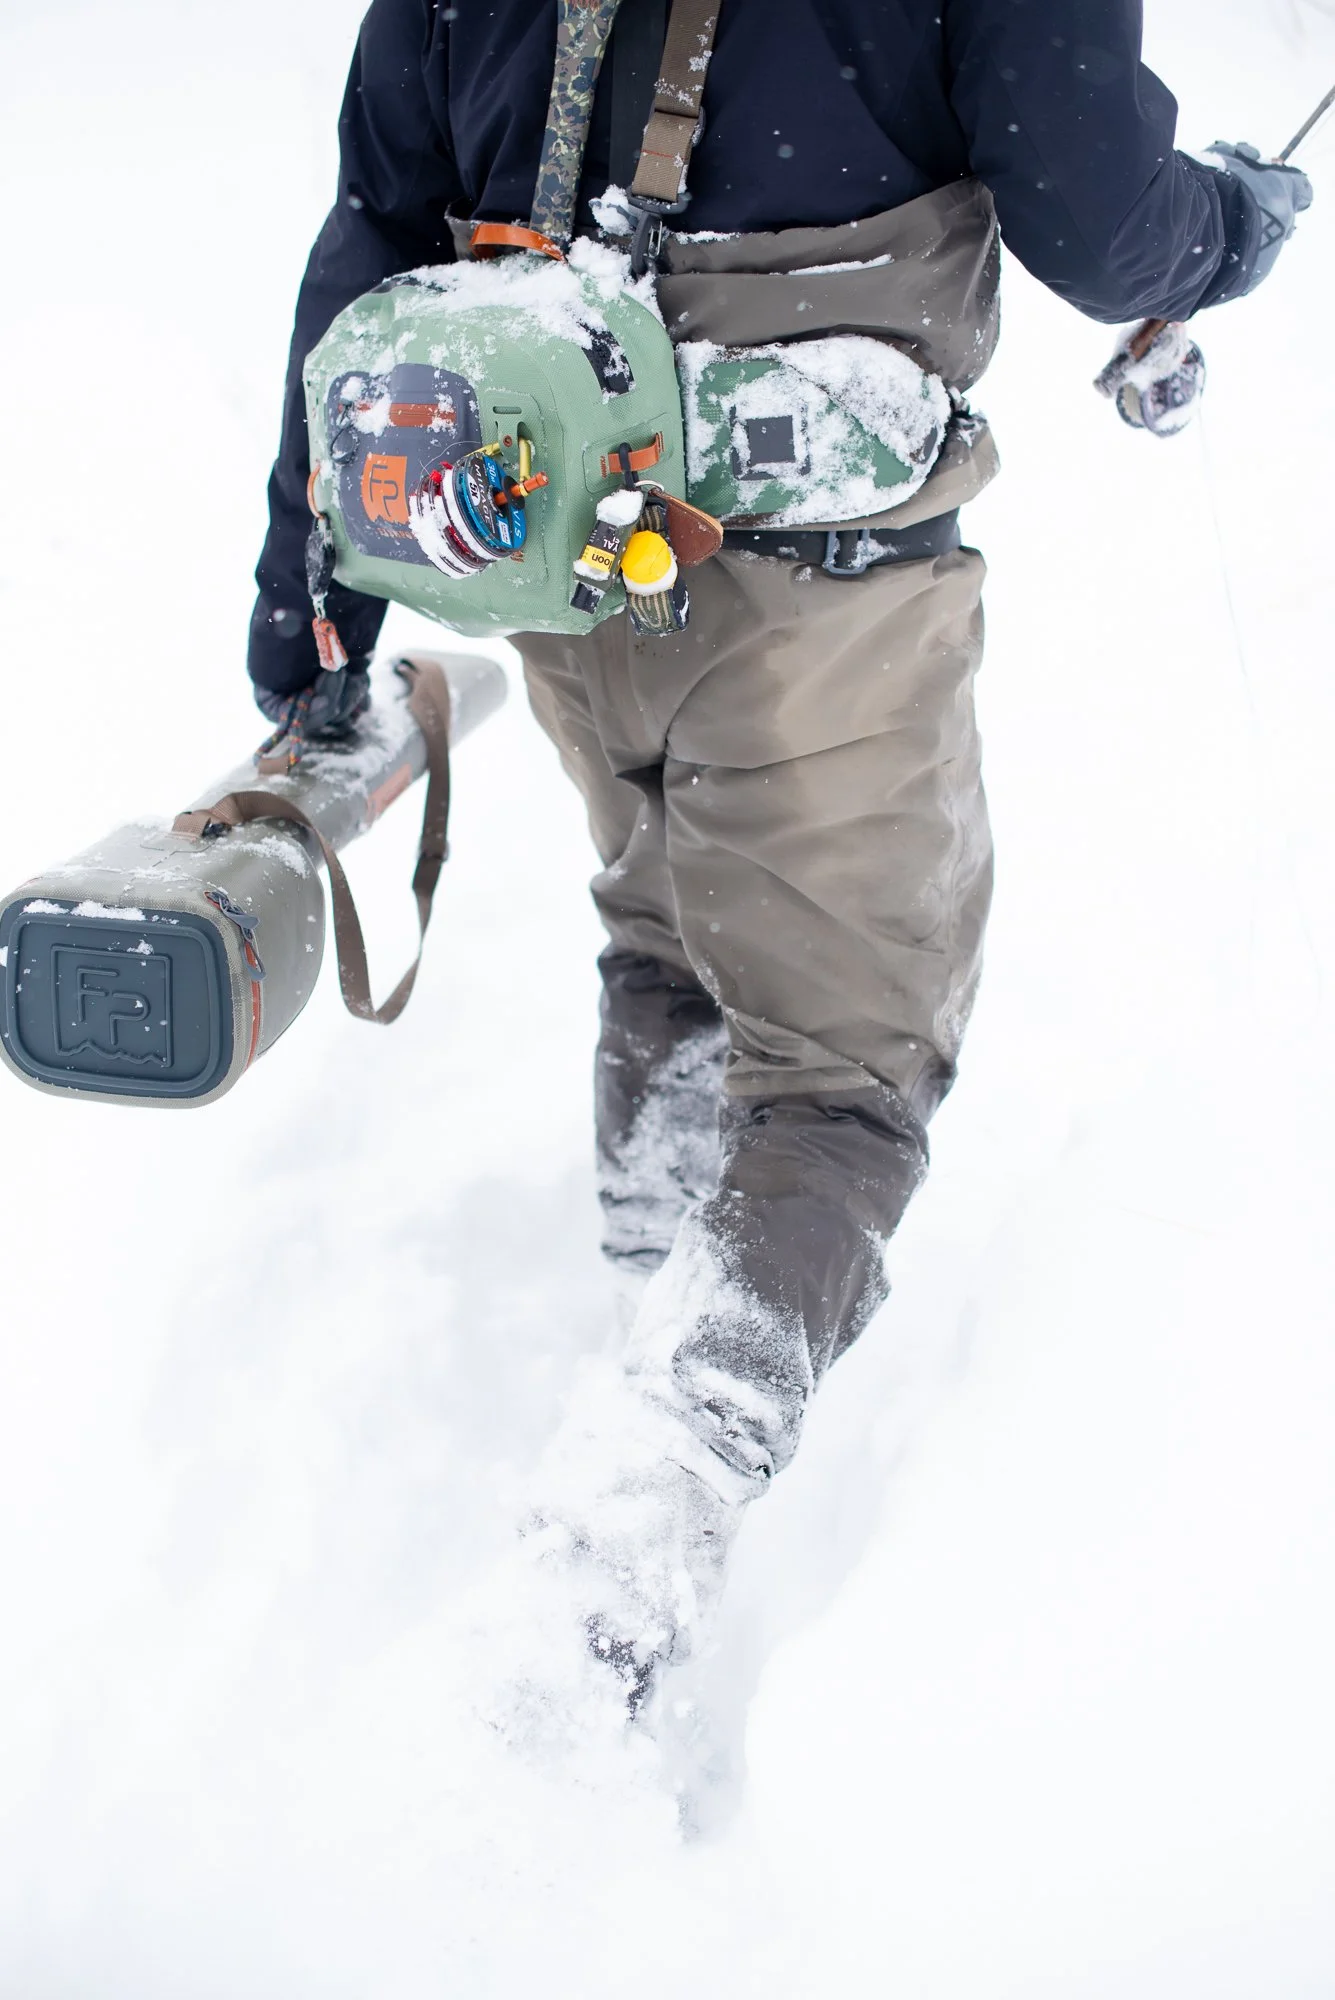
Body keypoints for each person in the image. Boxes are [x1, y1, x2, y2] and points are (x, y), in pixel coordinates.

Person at [248, 0, 1312, 1710]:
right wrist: (1235, 225)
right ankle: (612, 1571)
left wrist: (311, 603)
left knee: (669, 944)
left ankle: (647, 1320)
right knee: (840, 1081)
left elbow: (376, 235)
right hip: (811, 584)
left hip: (575, 564)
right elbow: (1109, 229)